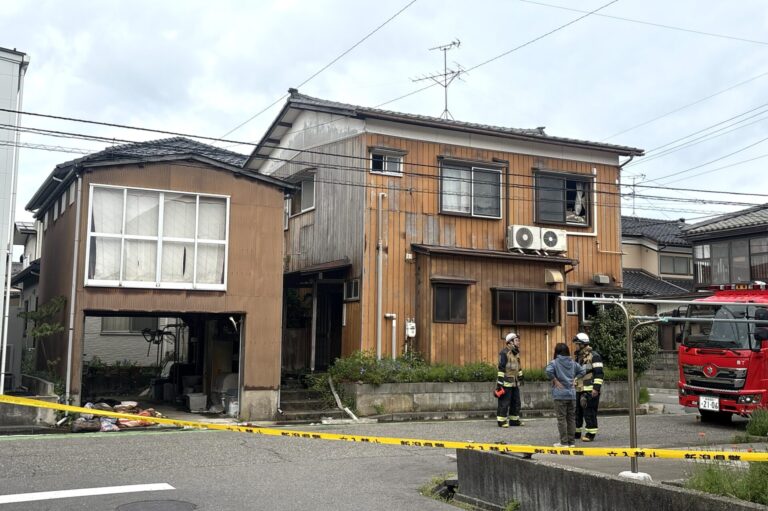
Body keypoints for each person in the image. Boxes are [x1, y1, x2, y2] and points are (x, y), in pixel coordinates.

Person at [545, 343, 585, 447]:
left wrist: (555, 380)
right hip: (572, 394)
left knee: (561, 419)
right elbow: (582, 371)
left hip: (560, 395)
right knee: (571, 418)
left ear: (556, 352)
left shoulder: (554, 362)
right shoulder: (572, 362)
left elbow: (548, 371)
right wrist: (575, 379)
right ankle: (571, 442)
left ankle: (564, 442)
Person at [573, 332, 604, 442]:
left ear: (582, 344)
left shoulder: (594, 356)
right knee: (577, 412)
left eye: (577, 344)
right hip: (579, 389)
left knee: (589, 412)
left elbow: (599, 373)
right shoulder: (579, 357)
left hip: (590, 389)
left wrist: (596, 388)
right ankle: (576, 432)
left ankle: (591, 434)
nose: (575, 346)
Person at [496, 332, 523, 427]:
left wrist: (521, 376)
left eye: (518, 340)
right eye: (516, 340)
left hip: (515, 383)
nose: (518, 342)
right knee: (504, 402)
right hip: (506, 383)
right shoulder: (504, 353)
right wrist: (499, 383)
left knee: (516, 402)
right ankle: (501, 421)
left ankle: (514, 420)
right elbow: (501, 369)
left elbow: (518, 367)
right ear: (510, 342)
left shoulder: (516, 353)